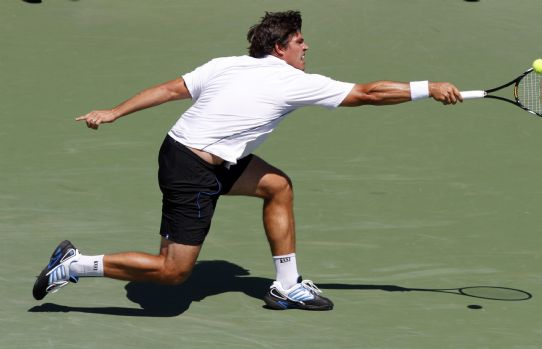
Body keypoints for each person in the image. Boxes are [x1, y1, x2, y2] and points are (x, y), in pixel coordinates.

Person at [33, 10, 462, 311]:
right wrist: (429, 86)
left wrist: (114, 111)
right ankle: (74, 264)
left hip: (195, 153)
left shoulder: (226, 65)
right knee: (172, 272)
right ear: (279, 48)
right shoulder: (290, 80)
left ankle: (286, 286)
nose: (306, 46)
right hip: (192, 168)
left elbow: (168, 90)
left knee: (277, 185)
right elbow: (367, 94)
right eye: (299, 41)